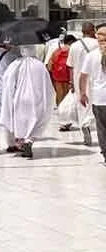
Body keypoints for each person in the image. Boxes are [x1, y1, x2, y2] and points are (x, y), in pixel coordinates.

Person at [0, 44, 55, 158]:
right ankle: (29, 141)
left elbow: (7, 82)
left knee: (21, 122)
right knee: (36, 122)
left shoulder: (15, 64)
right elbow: (47, 85)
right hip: (36, 99)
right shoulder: (39, 65)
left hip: (19, 99)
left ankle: (21, 142)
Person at [67, 22, 99, 145]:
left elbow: (70, 66)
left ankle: (84, 125)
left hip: (78, 79)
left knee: (82, 105)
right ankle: (92, 123)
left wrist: (71, 83)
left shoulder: (74, 46)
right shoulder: (98, 44)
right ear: (92, 31)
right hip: (95, 77)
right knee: (96, 103)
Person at [79, 24, 106, 164]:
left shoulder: (92, 56)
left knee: (102, 128)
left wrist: (83, 93)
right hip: (100, 98)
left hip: (99, 98)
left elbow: (83, 76)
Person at [49, 35, 75, 106]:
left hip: (57, 79)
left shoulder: (56, 51)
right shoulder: (72, 50)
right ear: (71, 42)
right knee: (68, 98)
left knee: (59, 96)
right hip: (69, 79)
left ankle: (59, 111)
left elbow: (50, 67)